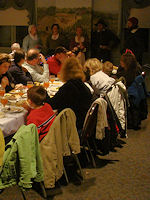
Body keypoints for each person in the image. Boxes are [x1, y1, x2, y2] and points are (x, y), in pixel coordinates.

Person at [46, 57, 92, 130]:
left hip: (71, 126)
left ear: (64, 71)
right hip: (82, 123)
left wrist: (44, 93)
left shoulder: (69, 87)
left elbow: (52, 105)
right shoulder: (83, 86)